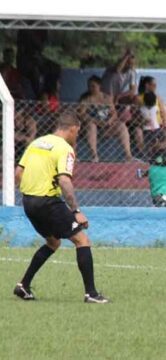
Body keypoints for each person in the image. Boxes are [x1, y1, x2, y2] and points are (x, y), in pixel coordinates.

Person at [13, 112, 109, 304]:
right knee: (82, 240)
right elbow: (64, 181)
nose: (77, 137)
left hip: (29, 201)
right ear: (73, 129)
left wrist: (31, 191)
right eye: (77, 132)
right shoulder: (65, 149)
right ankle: (91, 293)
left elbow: (18, 173)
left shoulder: (36, 143)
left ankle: (23, 285)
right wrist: (76, 211)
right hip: (48, 201)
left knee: (53, 242)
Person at [79, 75, 133, 162]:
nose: (90, 88)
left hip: (106, 127)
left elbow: (114, 113)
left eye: (93, 86)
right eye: (89, 86)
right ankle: (94, 155)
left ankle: (128, 155)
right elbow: (81, 114)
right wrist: (95, 121)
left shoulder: (107, 98)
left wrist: (110, 120)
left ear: (99, 86)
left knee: (121, 126)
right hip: (91, 126)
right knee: (91, 126)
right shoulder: (86, 98)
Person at [139, 131, 166, 207]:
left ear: (157, 140)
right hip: (155, 187)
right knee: (158, 202)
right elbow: (154, 167)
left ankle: (164, 200)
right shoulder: (153, 152)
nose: (150, 146)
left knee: (163, 199)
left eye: (151, 143)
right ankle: (162, 201)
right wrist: (146, 173)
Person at [133, 75, 166, 156]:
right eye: (154, 85)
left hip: (157, 125)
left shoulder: (157, 97)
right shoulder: (138, 98)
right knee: (138, 132)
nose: (155, 87)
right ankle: (144, 153)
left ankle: (161, 147)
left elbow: (162, 112)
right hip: (144, 125)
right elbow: (135, 114)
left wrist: (165, 122)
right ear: (147, 85)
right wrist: (142, 122)